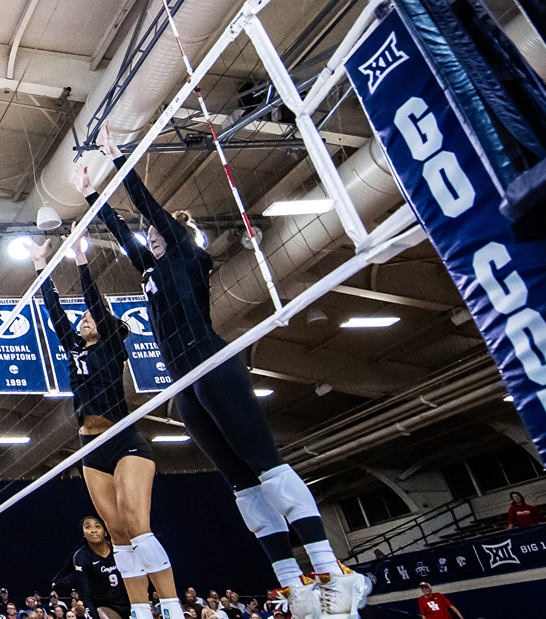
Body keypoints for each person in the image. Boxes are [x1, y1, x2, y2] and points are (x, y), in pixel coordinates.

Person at [82, 149, 367, 618]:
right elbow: (119, 229)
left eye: (157, 232)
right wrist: (91, 192)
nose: (150, 236)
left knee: (265, 467)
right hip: (184, 380)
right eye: (150, 235)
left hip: (211, 362)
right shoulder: (152, 270)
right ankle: (294, 586)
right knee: (241, 485)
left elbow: (150, 209)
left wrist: (118, 161)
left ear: (178, 235)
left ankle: (334, 574)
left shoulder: (190, 257)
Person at [31, 236, 178, 619]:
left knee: (137, 525)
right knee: (118, 536)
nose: (84, 318)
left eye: (91, 317)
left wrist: (80, 259)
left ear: (108, 327)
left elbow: (94, 301)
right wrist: (39, 266)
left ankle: (174, 608)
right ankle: (142, 612)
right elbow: (53, 310)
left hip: (123, 440)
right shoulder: (75, 347)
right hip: (89, 446)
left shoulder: (112, 346)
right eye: (83, 318)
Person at [51, 516, 132, 619]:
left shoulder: (119, 548)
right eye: (88, 527)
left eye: (97, 526)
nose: (93, 530)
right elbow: (85, 592)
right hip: (105, 604)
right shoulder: (81, 557)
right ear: (83, 534)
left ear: (105, 532)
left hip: (129, 598)